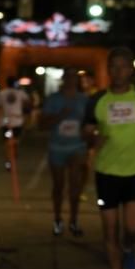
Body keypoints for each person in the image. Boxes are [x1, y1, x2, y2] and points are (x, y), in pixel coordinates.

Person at [83, 49, 135, 269]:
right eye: (113, 67)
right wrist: (93, 136)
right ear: (108, 70)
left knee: (132, 228)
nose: (118, 71)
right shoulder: (97, 100)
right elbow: (87, 131)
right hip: (107, 171)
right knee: (109, 229)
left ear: (130, 70)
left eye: (123, 66)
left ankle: (129, 248)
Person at [40, 70, 90, 235]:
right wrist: (59, 116)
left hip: (77, 146)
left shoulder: (84, 100)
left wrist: (88, 132)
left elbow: (91, 122)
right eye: (68, 77)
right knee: (58, 185)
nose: (71, 80)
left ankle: (74, 220)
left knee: (75, 185)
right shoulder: (54, 99)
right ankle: (57, 219)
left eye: (74, 77)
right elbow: (43, 123)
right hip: (57, 147)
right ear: (63, 80)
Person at [0, 77, 31, 170]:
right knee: (15, 141)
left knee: (7, 142)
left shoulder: (2, 93)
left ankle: (8, 161)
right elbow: (28, 104)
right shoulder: (21, 93)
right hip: (17, 120)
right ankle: (12, 158)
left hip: (6, 121)